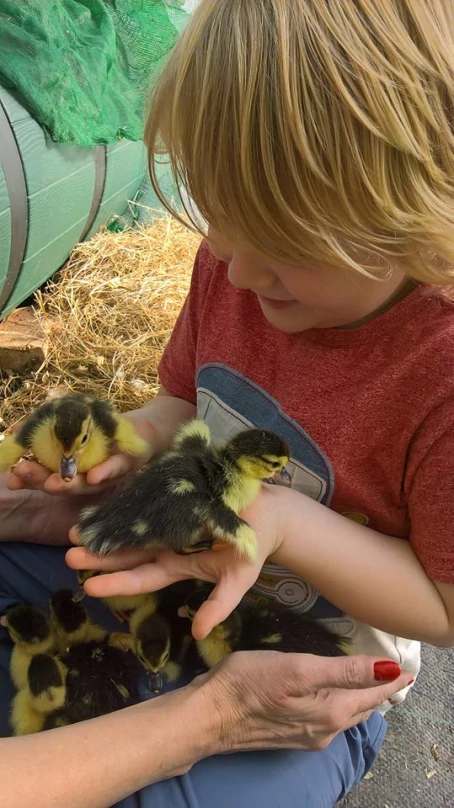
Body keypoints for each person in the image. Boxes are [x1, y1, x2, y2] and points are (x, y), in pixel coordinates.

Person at [1, 0, 453, 805]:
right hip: (159, 574)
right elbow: (183, 408)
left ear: (413, 217)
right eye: (219, 218)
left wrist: (284, 523)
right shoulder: (240, 266)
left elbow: (443, 607)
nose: (236, 272)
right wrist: (124, 452)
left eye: (281, 244)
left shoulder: (439, 369)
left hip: (308, 668)